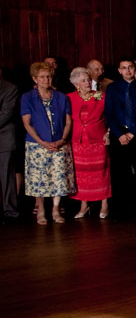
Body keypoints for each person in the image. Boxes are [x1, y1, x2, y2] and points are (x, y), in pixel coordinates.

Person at [20, 61, 76, 224]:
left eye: (49, 76)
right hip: (37, 145)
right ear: (35, 79)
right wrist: (41, 142)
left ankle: (56, 210)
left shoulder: (61, 97)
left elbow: (68, 122)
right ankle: (41, 210)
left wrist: (62, 140)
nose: (46, 80)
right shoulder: (27, 97)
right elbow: (27, 123)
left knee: (58, 177)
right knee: (40, 178)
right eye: (42, 77)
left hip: (59, 144)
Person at [104, 57, 136, 221]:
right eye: (124, 68)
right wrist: (119, 134)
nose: (128, 70)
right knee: (119, 173)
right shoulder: (112, 89)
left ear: (135, 69)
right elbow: (109, 113)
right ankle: (119, 211)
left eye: (130, 67)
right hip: (119, 135)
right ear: (119, 70)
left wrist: (132, 133)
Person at [67, 67, 111, 219]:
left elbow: (111, 115)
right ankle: (84, 205)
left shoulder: (99, 96)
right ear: (76, 84)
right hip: (78, 141)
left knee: (101, 173)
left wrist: (108, 132)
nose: (88, 83)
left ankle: (104, 204)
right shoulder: (70, 98)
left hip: (98, 140)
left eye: (89, 80)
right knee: (81, 175)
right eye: (84, 80)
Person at [0, 67, 20, 223]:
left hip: (4, 140)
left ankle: (10, 212)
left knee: (7, 177)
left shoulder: (10, 88)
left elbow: (5, 114)